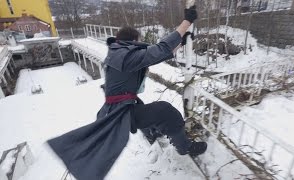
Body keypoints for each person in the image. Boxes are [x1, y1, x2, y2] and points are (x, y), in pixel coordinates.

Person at [47, 5, 206, 180]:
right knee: (166, 111)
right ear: (133, 40)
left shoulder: (117, 53)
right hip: (121, 113)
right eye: (139, 40)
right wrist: (187, 22)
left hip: (116, 109)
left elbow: (158, 54)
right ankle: (185, 147)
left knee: (144, 108)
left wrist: (180, 41)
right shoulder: (126, 56)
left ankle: (153, 133)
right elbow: (159, 49)